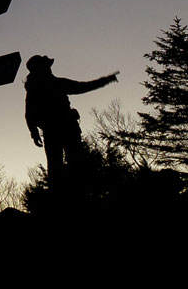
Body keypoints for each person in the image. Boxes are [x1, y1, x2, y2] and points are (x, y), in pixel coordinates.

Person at [24, 55, 118, 192]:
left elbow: (29, 114)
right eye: (46, 66)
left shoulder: (33, 90)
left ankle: (64, 196)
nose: (50, 69)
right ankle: (77, 194)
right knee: (74, 164)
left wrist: (34, 133)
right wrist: (105, 81)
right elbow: (82, 87)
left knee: (57, 167)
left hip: (53, 132)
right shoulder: (54, 84)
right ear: (42, 68)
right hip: (66, 130)